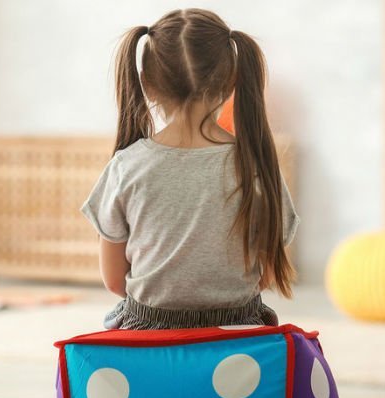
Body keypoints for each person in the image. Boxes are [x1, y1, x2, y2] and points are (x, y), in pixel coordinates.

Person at [81, 8, 300, 330]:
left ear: (146, 83)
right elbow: (265, 276)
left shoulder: (126, 166)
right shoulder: (257, 166)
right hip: (237, 333)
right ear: (232, 81)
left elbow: (115, 281)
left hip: (149, 333)